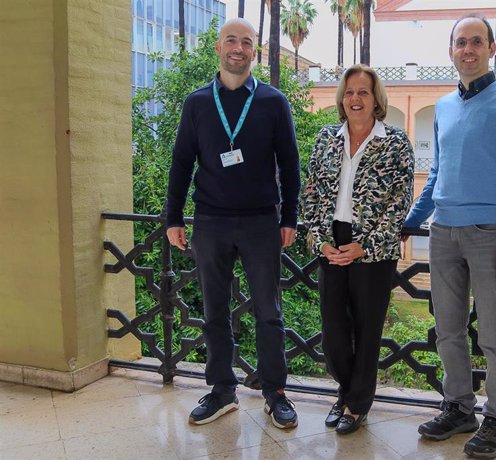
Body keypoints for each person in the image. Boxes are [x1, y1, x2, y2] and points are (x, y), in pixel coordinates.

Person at [404, 15, 496, 458]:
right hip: (443, 231)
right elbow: (437, 171)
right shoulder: (443, 106)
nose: (467, 50)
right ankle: (459, 407)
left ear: (491, 49)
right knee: (448, 330)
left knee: (495, 335)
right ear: (450, 51)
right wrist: (412, 218)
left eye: (476, 42)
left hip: (489, 235)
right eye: (460, 43)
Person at [165, 18, 301, 429]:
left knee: (268, 312)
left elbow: (290, 163)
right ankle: (222, 390)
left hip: (262, 222)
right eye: (230, 41)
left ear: (254, 51)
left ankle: (275, 391)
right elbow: (182, 162)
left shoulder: (274, 102)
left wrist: (289, 216)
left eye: (246, 42)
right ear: (218, 48)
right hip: (210, 222)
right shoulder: (197, 102)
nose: (238, 48)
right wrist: (173, 216)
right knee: (214, 312)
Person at [302, 65, 414, 435]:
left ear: (376, 99)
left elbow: (400, 202)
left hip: (372, 247)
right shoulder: (325, 139)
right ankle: (347, 392)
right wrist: (320, 241)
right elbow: (312, 194)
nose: (355, 99)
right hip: (331, 240)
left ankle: (356, 404)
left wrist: (365, 246)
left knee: (367, 329)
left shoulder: (396, 142)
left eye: (363, 92)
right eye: (349, 92)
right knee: (334, 328)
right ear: (341, 98)